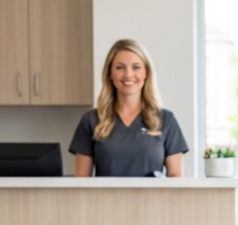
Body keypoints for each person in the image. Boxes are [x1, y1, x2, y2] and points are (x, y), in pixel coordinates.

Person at [71, 38, 188, 177]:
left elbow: (175, 179)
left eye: (136, 67)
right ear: (110, 73)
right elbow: (81, 183)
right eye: (120, 67)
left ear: (146, 73)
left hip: (151, 199)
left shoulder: (166, 120)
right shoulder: (91, 120)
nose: (128, 74)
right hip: (105, 199)